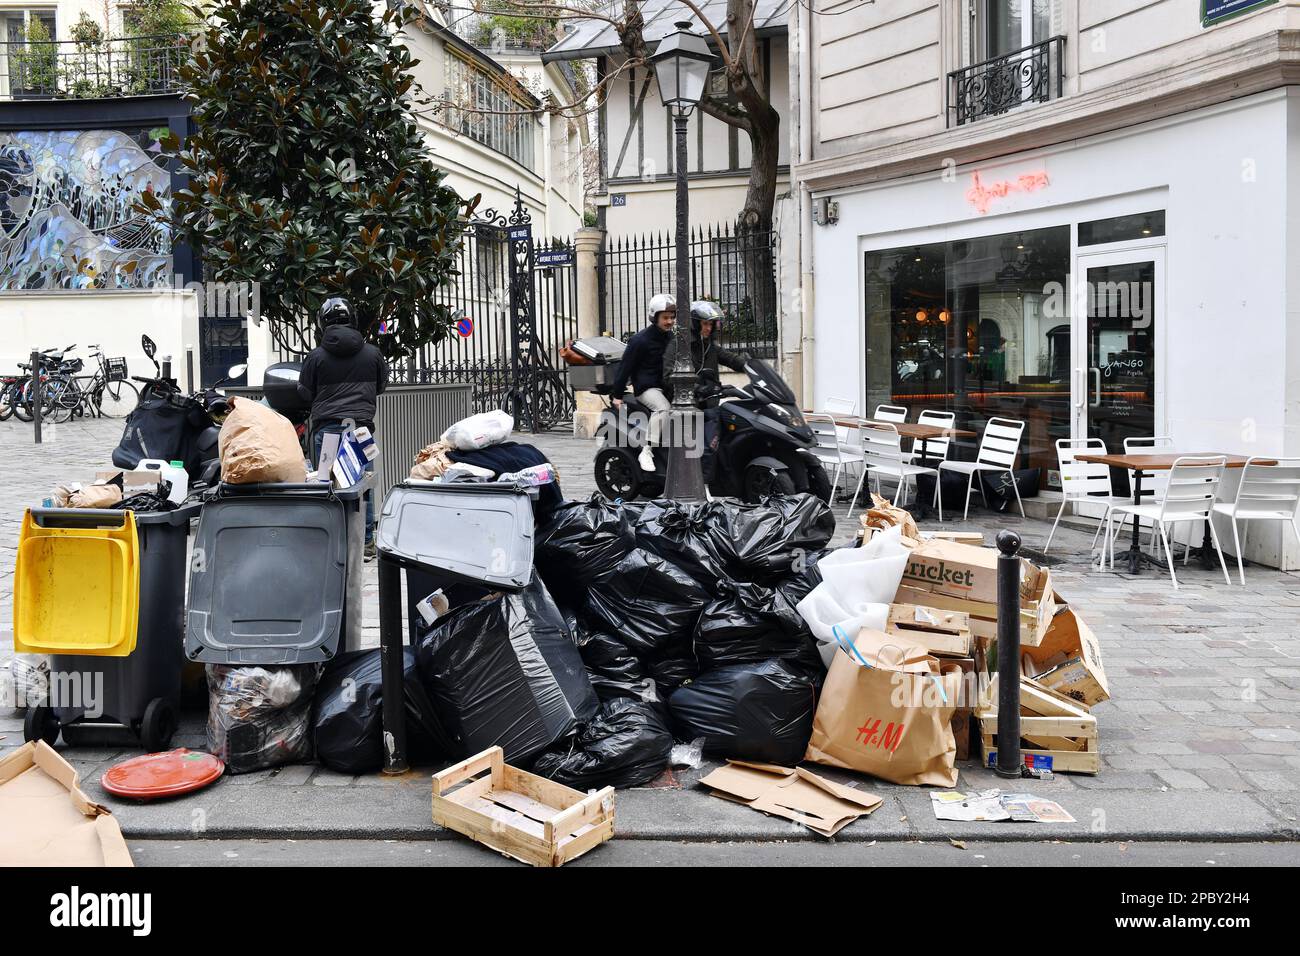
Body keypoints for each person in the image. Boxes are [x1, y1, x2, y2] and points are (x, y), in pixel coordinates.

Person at [297, 297, 388, 560]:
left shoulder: (316, 357)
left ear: (322, 323)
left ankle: (332, 539)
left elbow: (304, 393)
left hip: (327, 431)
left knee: (326, 485)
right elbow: (381, 386)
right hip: (361, 432)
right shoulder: (372, 353)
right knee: (363, 486)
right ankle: (367, 543)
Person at [662, 300, 749, 481]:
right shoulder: (679, 346)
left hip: (708, 403)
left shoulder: (710, 346)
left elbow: (730, 358)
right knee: (707, 445)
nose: (709, 328)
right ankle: (702, 484)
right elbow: (668, 375)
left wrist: (751, 366)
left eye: (711, 324)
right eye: (705, 324)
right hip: (687, 406)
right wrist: (697, 388)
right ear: (695, 324)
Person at [609, 293, 675, 473]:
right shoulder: (640, 340)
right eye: (665, 318)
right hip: (647, 388)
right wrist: (617, 396)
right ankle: (647, 451)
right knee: (663, 408)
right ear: (654, 317)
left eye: (671, 317)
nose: (669, 321)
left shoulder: (671, 338)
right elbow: (625, 368)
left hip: (667, 386)